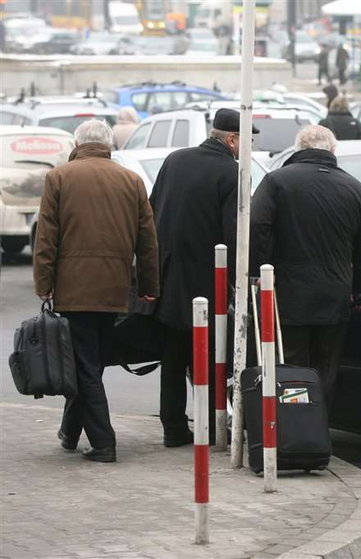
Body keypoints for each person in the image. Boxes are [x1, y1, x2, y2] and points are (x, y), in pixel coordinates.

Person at [33, 120, 159, 463]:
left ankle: (104, 443)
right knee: (91, 363)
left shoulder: (59, 177)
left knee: (86, 366)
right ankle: (70, 432)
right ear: (108, 145)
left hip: (74, 290)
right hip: (116, 289)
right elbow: (148, 241)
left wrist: (44, 284)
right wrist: (148, 286)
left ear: (77, 143)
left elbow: (46, 238)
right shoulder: (131, 180)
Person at [149, 108, 256, 447]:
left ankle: (173, 427)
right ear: (232, 139)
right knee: (211, 358)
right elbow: (234, 234)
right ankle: (211, 426)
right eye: (247, 141)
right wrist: (241, 281)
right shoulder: (233, 173)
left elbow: (153, 211)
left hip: (168, 277)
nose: (247, 148)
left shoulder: (174, 160)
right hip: (209, 282)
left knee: (173, 355)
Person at [250, 125, 361, 409]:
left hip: (288, 294)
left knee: (292, 368)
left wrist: (258, 273)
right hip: (334, 296)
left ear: (299, 150)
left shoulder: (276, 182)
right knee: (325, 369)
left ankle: (294, 428)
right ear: (333, 151)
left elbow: (258, 227)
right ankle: (318, 430)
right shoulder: (355, 188)